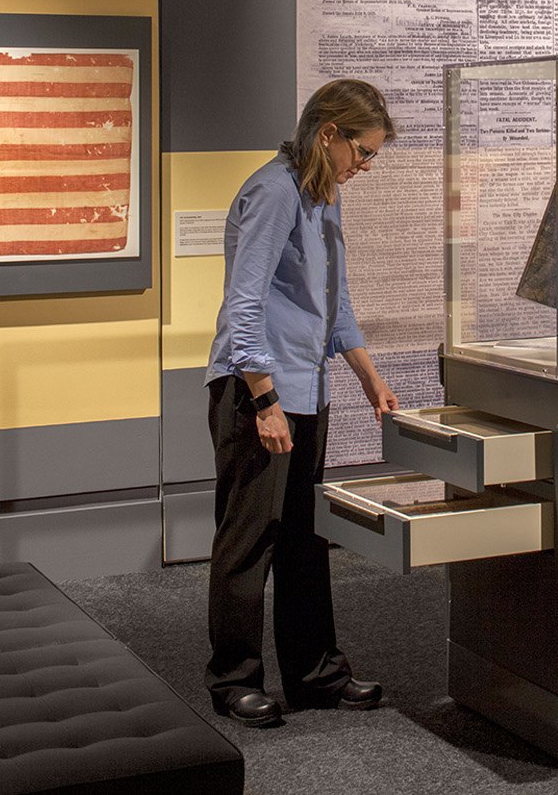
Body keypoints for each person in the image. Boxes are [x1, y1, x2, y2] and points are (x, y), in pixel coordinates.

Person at [203, 79, 399, 727]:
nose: (364, 166)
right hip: (254, 391)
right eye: (362, 152)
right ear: (328, 134)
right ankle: (234, 680)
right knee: (249, 538)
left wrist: (367, 375)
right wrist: (263, 398)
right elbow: (245, 303)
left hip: (305, 390)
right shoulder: (273, 191)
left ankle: (315, 673)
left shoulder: (324, 195)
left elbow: (335, 300)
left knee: (306, 540)